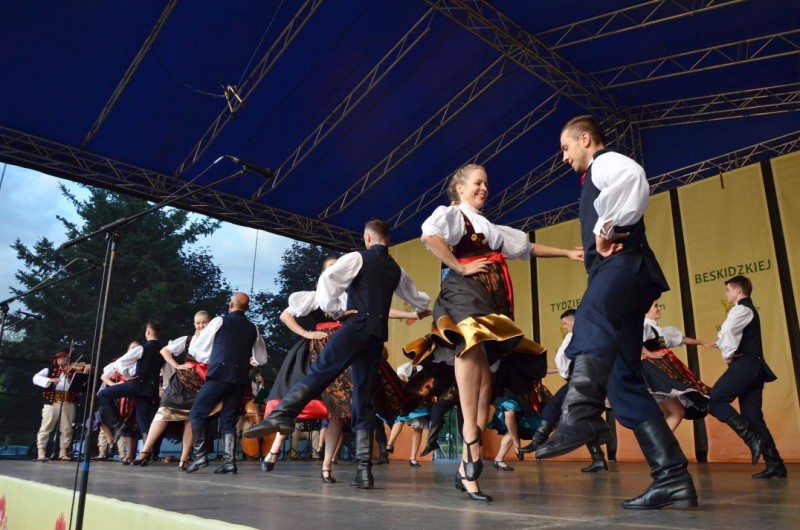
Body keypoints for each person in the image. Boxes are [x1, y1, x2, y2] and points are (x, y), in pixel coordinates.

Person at [535, 115, 697, 510]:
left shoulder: (604, 162)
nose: (563, 157)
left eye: (565, 148)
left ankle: (581, 415)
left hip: (625, 267)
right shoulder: (592, 175)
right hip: (621, 274)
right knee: (623, 383)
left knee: (590, 315)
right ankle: (673, 479)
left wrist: (604, 230)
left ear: (585, 139)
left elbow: (632, 177)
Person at [420, 163, 582, 502]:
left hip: (491, 299)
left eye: (486, 184)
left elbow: (527, 248)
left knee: (486, 381)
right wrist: (459, 266)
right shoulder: (453, 216)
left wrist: (567, 252)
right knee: (469, 345)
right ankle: (470, 436)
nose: (484, 188)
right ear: (460, 188)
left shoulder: (490, 228)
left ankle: (467, 463)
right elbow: (429, 236)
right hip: (464, 292)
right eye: (478, 183)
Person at [243, 219, 430, 490]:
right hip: (376, 338)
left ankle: (283, 413)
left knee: (321, 371)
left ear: (367, 238)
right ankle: (364, 471)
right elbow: (416, 297)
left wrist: (335, 311)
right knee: (362, 398)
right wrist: (420, 309)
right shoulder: (395, 269)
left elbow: (328, 280)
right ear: (388, 239)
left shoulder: (357, 258)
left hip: (354, 328)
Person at [707, 275, 786, 479]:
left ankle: (751, 438)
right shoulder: (745, 309)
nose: (726, 294)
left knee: (715, 400)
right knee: (753, 417)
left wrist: (727, 353)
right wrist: (724, 345)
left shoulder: (741, 309)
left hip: (746, 365)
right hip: (754, 367)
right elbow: (729, 334)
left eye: (728, 290)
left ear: (737, 291)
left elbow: (728, 331)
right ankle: (775, 464)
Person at [185, 292, 268, 474]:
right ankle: (229, 462)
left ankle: (199, 456)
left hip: (220, 375)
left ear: (231, 305)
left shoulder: (219, 321)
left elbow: (198, 349)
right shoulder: (253, 327)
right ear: (247, 308)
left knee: (197, 412)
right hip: (239, 379)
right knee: (228, 420)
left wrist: (210, 358)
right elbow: (261, 358)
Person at [520, 309, 610, 473]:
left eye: (565, 323)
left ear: (574, 321)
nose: (564, 327)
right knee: (584, 417)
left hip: (582, 380)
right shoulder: (580, 336)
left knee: (554, 406)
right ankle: (598, 459)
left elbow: (566, 359)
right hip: (581, 380)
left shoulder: (578, 336)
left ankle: (538, 440)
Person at [131, 310, 212, 470]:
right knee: (162, 413)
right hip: (180, 385)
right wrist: (177, 365)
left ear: (210, 324)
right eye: (198, 322)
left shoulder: (215, 342)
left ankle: (184, 460)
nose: (201, 325)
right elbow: (164, 351)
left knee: (190, 420)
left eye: (204, 322)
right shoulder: (188, 340)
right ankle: (144, 452)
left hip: (200, 386)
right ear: (194, 324)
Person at [641, 300, 712, 431]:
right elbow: (634, 340)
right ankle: (661, 443)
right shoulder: (644, 325)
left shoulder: (658, 329)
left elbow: (681, 339)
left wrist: (702, 342)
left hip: (664, 369)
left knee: (669, 413)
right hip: (657, 371)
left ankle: (659, 443)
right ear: (645, 311)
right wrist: (648, 353)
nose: (659, 308)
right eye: (656, 306)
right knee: (677, 412)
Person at [97, 320, 163, 445]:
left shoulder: (142, 349)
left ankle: (118, 424)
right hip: (151, 390)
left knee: (103, 394)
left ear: (147, 332)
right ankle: (148, 451)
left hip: (137, 385)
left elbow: (119, 363)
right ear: (158, 333)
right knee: (143, 420)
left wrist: (127, 377)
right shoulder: (163, 350)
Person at [32, 351, 90, 461]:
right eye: (60, 358)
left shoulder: (73, 370)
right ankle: (41, 452)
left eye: (65, 358)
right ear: (56, 359)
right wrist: (50, 380)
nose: (62, 360)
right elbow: (35, 378)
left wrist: (85, 371)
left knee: (67, 428)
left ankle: (63, 452)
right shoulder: (49, 369)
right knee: (46, 427)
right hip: (52, 402)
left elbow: (81, 385)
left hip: (68, 402)